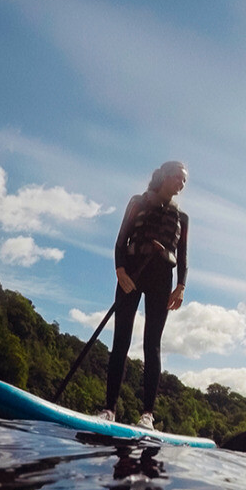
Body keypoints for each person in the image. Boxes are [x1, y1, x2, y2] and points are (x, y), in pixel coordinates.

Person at [97, 161, 189, 430]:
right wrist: (120, 270)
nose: (181, 184)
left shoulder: (182, 218)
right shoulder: (138, 202)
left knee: (153, 344)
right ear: (163, 176)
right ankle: (109, 409)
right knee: (121, 339)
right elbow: (121, 241)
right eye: (177, 178)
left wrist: (181, 286)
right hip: (133, 274)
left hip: (162, 279)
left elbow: (183, 257)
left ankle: (147, 414)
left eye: (184, 181)